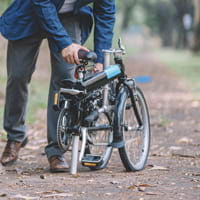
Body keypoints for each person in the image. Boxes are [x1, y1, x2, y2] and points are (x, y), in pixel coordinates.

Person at [0, 0, 115, 172]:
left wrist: (100, 58)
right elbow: (42, 4)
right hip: (31, 13)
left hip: (68, 17)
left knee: (65, 80)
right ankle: (15, 135)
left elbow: (106, 13)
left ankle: (56, 149)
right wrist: (65, 44)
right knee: (18, 76)